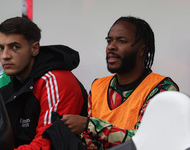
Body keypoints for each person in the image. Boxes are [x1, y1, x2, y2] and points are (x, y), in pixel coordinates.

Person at [61, 16, 179, 149]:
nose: (111, 46)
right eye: (109, 41)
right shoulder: (98, 86)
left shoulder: (162, 88)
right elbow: (90, 140)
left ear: (142, 50)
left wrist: (90, 125)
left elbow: (146, 139)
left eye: (121, 41)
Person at [0, 16, 87, 150]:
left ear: (35, 49)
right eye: (0, 48)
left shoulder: (57, 80)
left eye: (15, 47)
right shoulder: (4, 78)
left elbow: (47, 145)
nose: (5, 56)